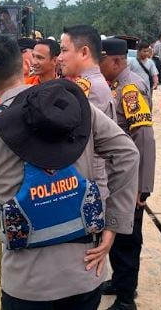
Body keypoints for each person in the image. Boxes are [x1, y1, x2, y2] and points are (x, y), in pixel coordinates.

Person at [0, 34, 139, 310]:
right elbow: (127, 153)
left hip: (26, 286)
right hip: (86, 273)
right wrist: (113, 225)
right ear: (25, 64)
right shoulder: (75, 105)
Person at [99, 38, 156, 310]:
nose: (97, 66)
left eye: (101, 61)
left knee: (128, 240)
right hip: (118, 177)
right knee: (117, 235)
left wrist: (142, 187)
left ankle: (126, 300)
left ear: (116, 61)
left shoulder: (130, 89)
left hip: (130, 181)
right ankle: (119, 282)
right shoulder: (116, 85)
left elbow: (144, 137)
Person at [58, 25, 116, 200]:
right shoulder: (87, 84)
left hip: (88, 189)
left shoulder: (90, 89)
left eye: (64, 50)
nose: (59, 58)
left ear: (84, 52)